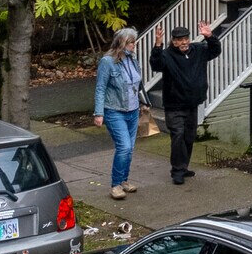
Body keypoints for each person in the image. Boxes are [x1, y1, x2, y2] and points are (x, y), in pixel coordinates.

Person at [153, 21, 223, 186]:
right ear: (173, 41)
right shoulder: (167, 55)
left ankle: (183, 167)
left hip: (193, 103)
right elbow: (155, 64)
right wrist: (157, 45)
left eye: (186, 39)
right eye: (179, 40)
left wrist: (210, 36)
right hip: (174, 105)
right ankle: (177, 171)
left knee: (189, 136)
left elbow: (215, 50)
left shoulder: (198, 49)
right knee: (177, 134)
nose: (184, 42)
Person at [93, 28, 143, 200]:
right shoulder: (107, 62)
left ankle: (124, 180)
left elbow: (136, 83)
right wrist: (99, 113)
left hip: (133, 109)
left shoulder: (132, 59)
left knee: (130, 149)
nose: (133, 45)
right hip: (115, 110)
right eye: (131, 42)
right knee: (124, 147)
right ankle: (115, 185)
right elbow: (100, 88)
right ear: (121, 43)